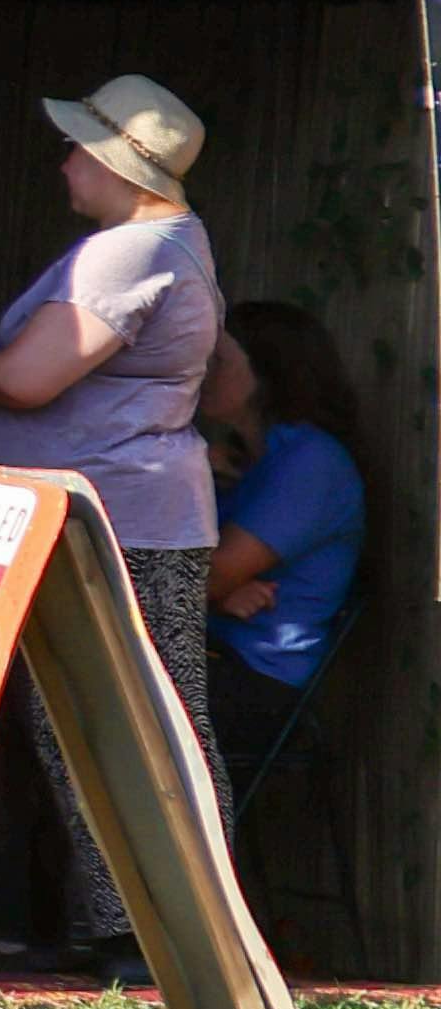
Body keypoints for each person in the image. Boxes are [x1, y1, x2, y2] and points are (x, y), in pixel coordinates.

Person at [0, 71, 226, 953]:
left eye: (79, 145)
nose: (66, 160)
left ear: (118, 163)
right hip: (117, 514)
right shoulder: (168, 243)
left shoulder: (134, 252)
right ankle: (146, 927)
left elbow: (26, 379)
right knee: (121, 718)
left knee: (129, 721)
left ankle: (160, 936)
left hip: (114, 525)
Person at [203, 300, 368, 816]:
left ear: (267, 374)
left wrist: (217, 591)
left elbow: (195, 579)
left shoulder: (311, 463)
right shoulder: (244, 460)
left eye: (220, 360)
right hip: (211, 656)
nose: (200, 370)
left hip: (256, 686)